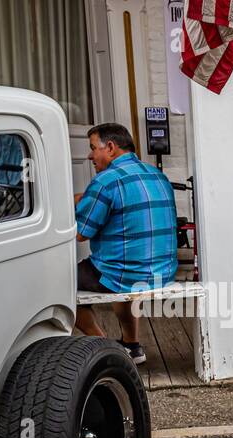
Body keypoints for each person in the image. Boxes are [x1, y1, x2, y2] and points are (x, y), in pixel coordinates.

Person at [73, 123, 178, 365]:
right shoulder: (157, 174)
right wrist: (85, 198)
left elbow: (81, 233)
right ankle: (131, 346)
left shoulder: (105, 181)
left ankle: (108, 349)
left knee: (56, 282)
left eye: (92, 148)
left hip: (126, 274)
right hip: (162, 271)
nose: (90, 156)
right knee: (119, 269)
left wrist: (69, 206)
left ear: (110, 147)